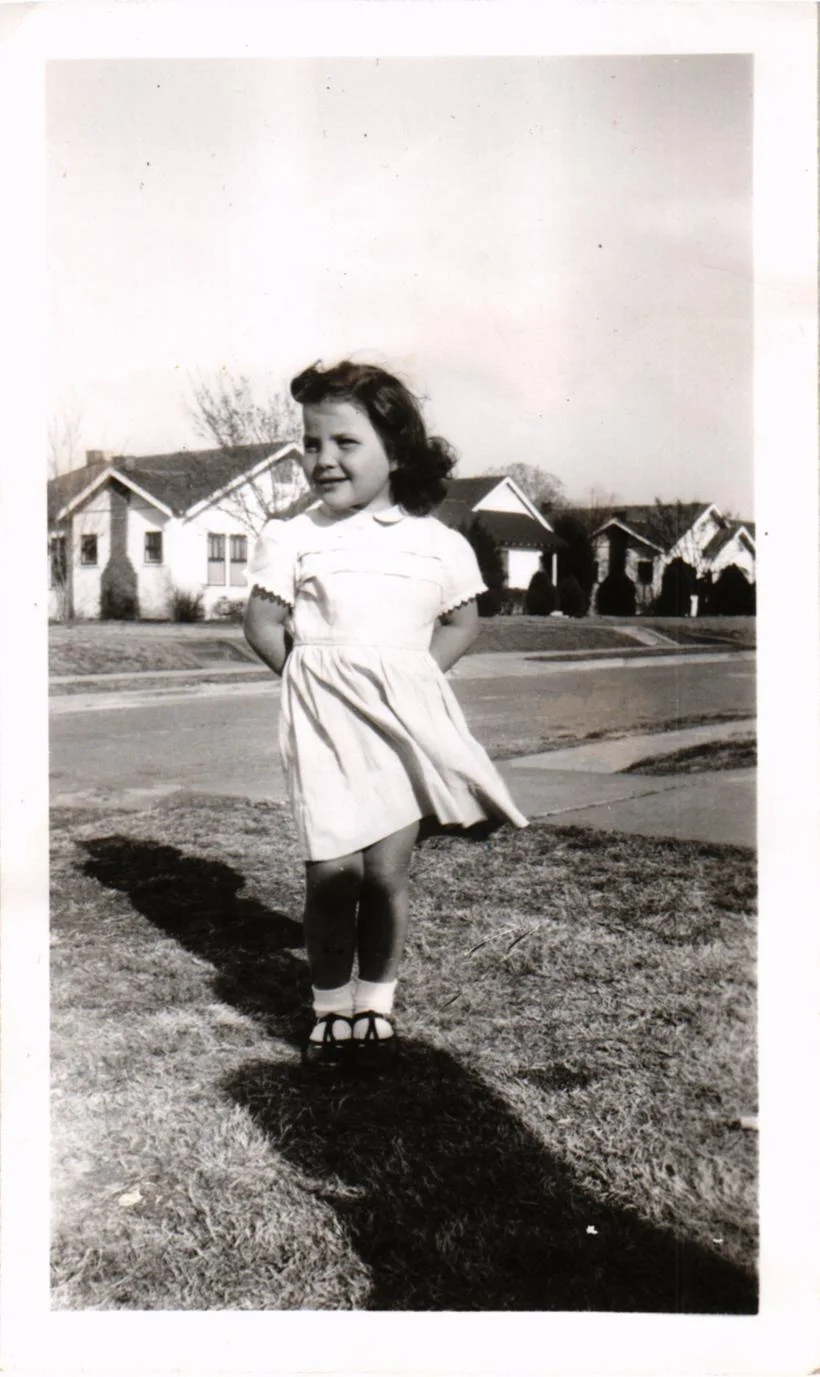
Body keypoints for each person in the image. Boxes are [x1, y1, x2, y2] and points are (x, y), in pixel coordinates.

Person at [244, 360, 528, 1070]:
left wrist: (413, 683)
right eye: (312, 443)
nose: (324, 459)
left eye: (345, 442)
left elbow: (462, 622)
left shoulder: (438, 543)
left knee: (385, 873)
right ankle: (329, 1008)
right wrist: (314, 683)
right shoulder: (293, 536)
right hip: (324, 728)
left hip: (398, 729)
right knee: (331, 870)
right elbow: (262, 625)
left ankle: (374, 1002)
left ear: (396, 451)